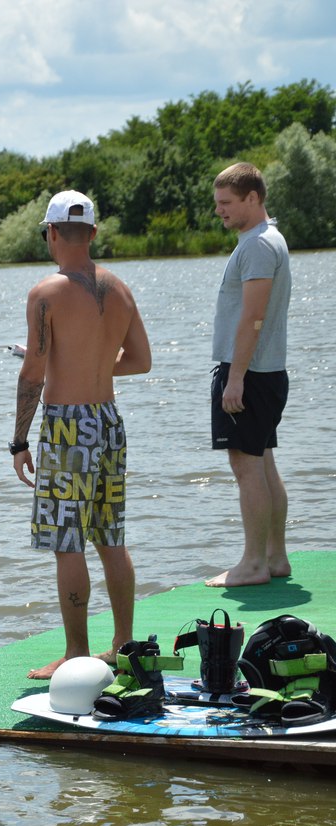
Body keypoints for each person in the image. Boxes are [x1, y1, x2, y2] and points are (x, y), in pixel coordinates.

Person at [10, 190, 152, 680]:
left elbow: (32, 372)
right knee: (111, 536)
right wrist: (92, 361)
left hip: (68, 427)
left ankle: (75, 655)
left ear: (51, 233)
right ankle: (124, 645)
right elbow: (139, 360)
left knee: (68, 543)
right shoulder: (121, 289)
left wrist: (18, 440)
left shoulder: (44, 294)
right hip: (109, 420)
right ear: (92, 233)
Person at [205, 163, 293, 588]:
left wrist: (235, 377)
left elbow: (253, 316)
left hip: (250, 373)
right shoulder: (265, 240)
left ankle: (254, 563)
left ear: (253, 198)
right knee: (264, 466)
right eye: (218, 203)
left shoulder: (258, 245)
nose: (219, 211)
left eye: (227, 203)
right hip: (266, 372)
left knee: (247, 470)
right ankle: (274, 557)